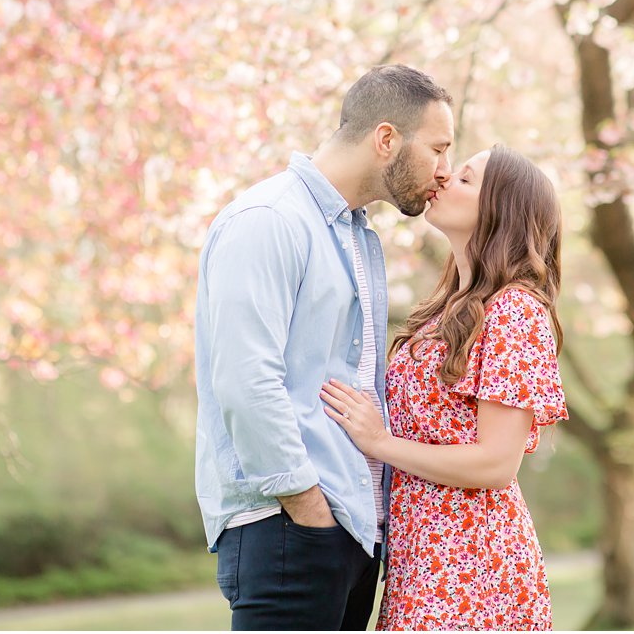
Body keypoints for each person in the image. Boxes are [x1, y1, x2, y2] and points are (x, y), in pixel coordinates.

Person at [194, 64, 455, 631]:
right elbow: (245, 381)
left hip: (350, 531)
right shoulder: (269, 221)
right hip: (290, 526)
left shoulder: (358, 235)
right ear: (386, 139)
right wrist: (310, 509)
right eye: (438, 149)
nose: (445, 170)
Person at [320, 145, 567, 631]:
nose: (445, 177)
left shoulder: (515, 311)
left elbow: (496, 464)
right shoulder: (443, 311)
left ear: (501, 211)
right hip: (420, 563)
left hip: (474, 568)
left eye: (466, 180)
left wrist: (381, 444)